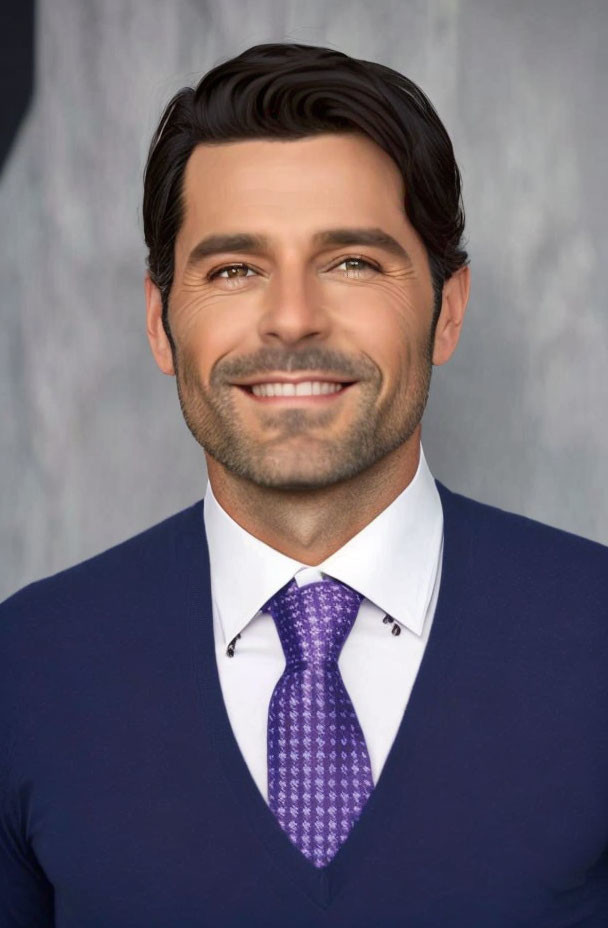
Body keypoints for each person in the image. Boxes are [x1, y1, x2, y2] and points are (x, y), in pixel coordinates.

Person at [1, 41, 606, 928]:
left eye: (352, 262)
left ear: (449, 309)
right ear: (160, 324)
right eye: (234, 270)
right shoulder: (26, 668)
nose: (291, 318)